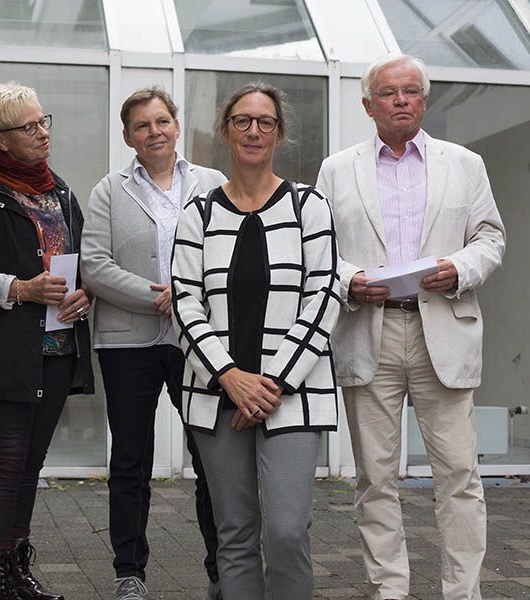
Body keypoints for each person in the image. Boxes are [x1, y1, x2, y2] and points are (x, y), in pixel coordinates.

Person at [315, 54, 505, 600]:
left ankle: (461, 591)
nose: (401, 100)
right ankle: (390, 589)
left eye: (412, 91)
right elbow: (321, 250)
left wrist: (459, 270)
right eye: (390, 92)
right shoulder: (337, 169)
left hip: (443, 327)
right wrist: (349, 280)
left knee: (459, 477)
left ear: (425, 99)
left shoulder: (464, 164)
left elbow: (490, 238)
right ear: (367, 104)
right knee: (375, 477)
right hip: (369, 329)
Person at [171, 82, 341, 599]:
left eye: (264, 122)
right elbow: (184, 304)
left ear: (279, 133)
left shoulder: (310, 207)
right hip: (217, 397)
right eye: (242, 120)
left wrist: (271, 385)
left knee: (288, 531)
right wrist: (229, 377)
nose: (253, 130)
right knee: (235, 535)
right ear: (225, 131)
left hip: (292, 398)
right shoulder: (196, 215)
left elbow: (325, 296)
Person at [0, 82, 94, 600]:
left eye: (43, 120)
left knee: (33, 460)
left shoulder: (63, 193)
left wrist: (82, 297)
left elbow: (76, 268)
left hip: (58, 345)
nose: (43, 132)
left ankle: (18, 570)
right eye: (29, 126)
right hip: (7, 348)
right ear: (0, 138)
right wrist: (21, 288)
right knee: (7, 456)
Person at [80, 87, 225, 600]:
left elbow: (230, 256)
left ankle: (222, 570)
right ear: (128, 137)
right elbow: (93, 265)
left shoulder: (212, 183)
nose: (155, 131)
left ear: (177, 125)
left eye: (162, 121)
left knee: (213, 459)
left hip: (200, 345)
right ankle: (129, 573)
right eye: (142, 126)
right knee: (130, 462)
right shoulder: (109, 190)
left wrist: (188, 299)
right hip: (128, 345)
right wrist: (154, 296)